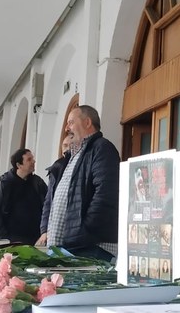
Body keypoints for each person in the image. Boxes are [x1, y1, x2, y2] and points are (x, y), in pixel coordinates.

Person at [36, 105, 120, 262]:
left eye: (71, 122)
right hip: (70, 248)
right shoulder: (76, 154)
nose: (67, 128)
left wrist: (84, 229)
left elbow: (106, 194)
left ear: (87, 122)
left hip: (90, 248)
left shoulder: (102, 148)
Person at [0, 148, 47, 245]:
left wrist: (45, 231)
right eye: (29, 159)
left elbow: (48, 205)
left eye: (32, 158)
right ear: (19, 165)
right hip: (12, 239)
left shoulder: (37, 182)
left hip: (36, 239)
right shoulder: (5, 183)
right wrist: (2, 237)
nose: (33, 161)